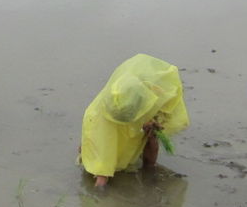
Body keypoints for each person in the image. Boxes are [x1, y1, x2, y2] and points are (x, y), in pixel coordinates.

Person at [79, 54, 189, 188]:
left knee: (151, 135)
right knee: (98, 150)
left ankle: (149, 171)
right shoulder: (100, 115)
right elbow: (102, 170)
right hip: (108, 118)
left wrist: (151, 123)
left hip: (138, 105)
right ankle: (86, 154)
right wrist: (100, 186)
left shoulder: (151, 94)